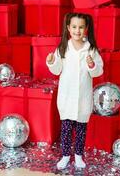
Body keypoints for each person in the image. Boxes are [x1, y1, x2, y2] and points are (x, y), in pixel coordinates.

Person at [46, 12, 103, 170]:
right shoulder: (63, 47)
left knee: (81, 129)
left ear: (86, 29)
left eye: (81, 27)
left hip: (83, 97)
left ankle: (78, 156)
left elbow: (97, 71)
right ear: (68, 28)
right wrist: (51, 61)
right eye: (74, 27)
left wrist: (92, 65)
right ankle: (65, 156)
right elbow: (57, 70)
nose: (77, 30)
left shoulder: (90, 49)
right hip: (66, 96)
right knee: (65, 128)